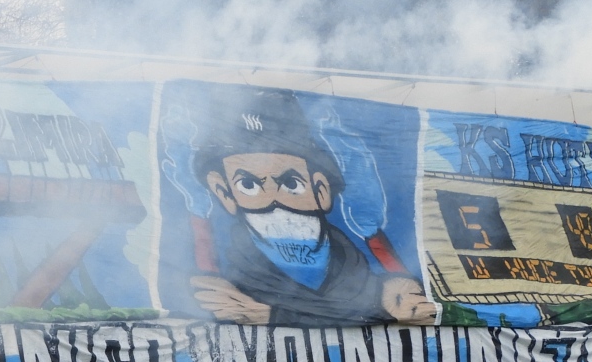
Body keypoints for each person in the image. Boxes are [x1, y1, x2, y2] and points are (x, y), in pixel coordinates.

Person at [186, 88, 439, 327]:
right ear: (224, 193)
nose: (274, 201)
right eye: (249, 185)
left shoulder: (377, 287)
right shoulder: (232, 286)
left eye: (290, 183)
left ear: (320, 190)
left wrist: (272, 315)